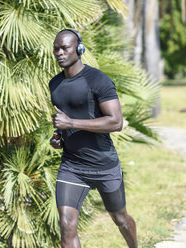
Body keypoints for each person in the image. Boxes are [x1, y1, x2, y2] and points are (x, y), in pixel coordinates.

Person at [49, 29, 138, 248]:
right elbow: (63, 120)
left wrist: (71, 123)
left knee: (120, 219)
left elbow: (115, 122)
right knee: (67, 225)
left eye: (65, 48)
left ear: (79, 49)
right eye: (56, 48)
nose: (59, 53)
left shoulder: (98, 80)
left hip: (103, 165)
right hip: (72, 166)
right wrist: (58, 136)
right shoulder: (55, 84)